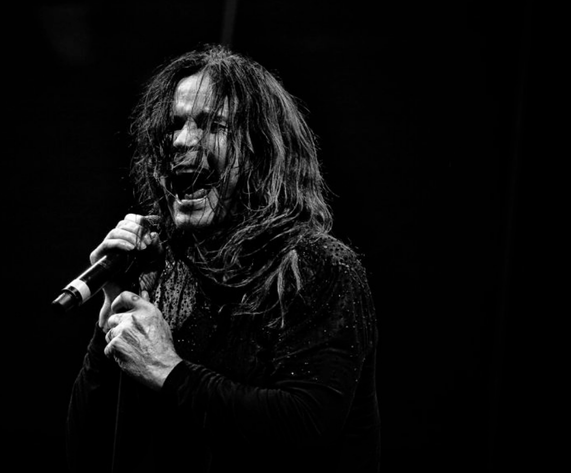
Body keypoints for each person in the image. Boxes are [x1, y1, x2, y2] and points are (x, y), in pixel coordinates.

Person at [66, 44, 379, 472]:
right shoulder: (161, 270)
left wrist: (169, 371)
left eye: (213, 125)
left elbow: (309, 425)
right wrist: (112, 312)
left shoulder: (315, 266)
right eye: (174, 125)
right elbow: (86, 446)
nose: (182, 140)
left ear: (263, 151)